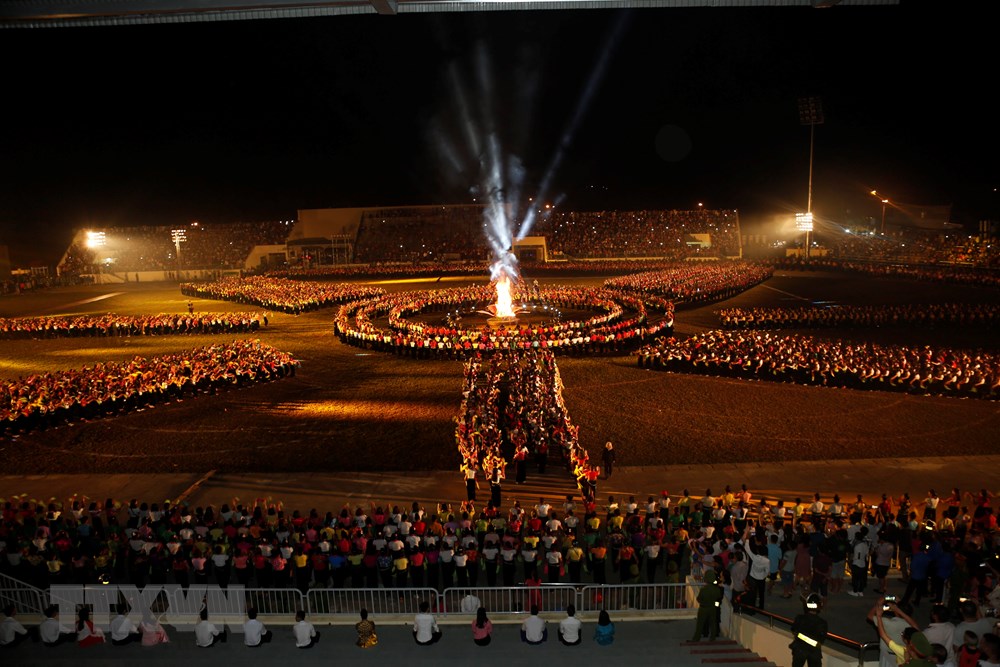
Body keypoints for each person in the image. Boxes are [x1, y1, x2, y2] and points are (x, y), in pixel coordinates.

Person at [790, 593, 827, 667]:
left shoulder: (799, 618)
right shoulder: (822, 623)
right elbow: (822, 639)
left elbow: (793, 629)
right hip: (814, 652)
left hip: (800, 649)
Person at [692, 570, 724, 641]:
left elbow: (699, 599)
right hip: (712, 608)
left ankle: (696, 638)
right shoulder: (717, 589)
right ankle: (713, 637)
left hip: (703, 608)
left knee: (700, 624)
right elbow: (718, 597)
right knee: (713, 623)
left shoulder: (703, 590)